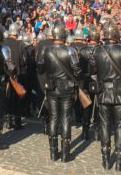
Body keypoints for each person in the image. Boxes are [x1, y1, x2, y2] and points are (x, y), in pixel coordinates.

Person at [90, 23, 121, 171]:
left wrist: (102, 78)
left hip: (103, 92)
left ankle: (105, 160)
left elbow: (92, 71)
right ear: (116, 35)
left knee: (105, 125)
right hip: (120, 92)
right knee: (120, 126)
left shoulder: (96, 50)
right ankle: (119, 161)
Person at [37, 25, 83, 163]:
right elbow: (78, 71)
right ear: (64, 35)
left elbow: (40, 69)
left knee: (53, 118)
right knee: (66, 119)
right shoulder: (70, 50)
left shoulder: (45, 50)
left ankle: (53, 152)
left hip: (51, 87)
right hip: (67, 88)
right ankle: (65, 153)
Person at [4, 22, 27, 130]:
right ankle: (17, 122)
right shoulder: (20, 44)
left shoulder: (3, 43)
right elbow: (24, 60)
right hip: (17, 75)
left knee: (7, 97)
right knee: (17, 99)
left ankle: (9, 121)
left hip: (5, 75)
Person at [78, 29, 100, 141]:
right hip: (97, 81)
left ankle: (85, 130)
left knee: (86, 107)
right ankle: (97, 130)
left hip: (85, 81)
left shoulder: (82, 50)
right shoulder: (101, 50)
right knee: (98, 106)